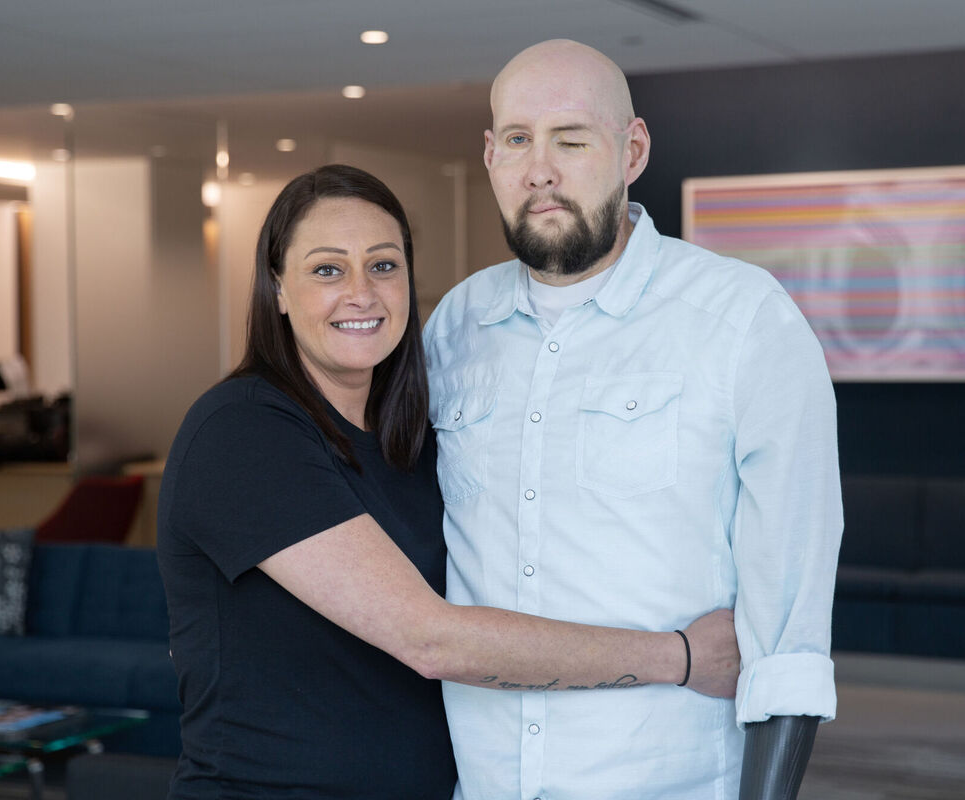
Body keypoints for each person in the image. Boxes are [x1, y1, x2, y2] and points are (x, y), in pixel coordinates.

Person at [156, 164, 741, 799]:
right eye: (327, 270)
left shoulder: (410, 441)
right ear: (277, 288)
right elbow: (431, 639)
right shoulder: (242, 431)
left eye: (383, 266)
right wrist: (681, 657)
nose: (361, 293)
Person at [422, 41, 844, 799]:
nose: (539, 170)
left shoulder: (744, 319)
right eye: (517, 139)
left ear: (633, 151)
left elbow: (790, 622)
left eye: (571, 140)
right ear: (489, 156)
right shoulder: (454, 326)